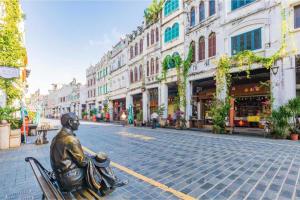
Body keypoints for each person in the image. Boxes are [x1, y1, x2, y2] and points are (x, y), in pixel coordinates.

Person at [50, 112, 127, 193]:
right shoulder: (70, 139)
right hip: (69, 179)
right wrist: (94, 158)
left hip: (61, 176)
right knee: (99, 161)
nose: (79, 123)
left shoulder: (58, 136)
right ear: (70, 122)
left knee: (95, 160)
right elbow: (82, 162)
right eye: (77, 121)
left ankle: (110, 182)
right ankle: (110, 183)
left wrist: (91, 157)